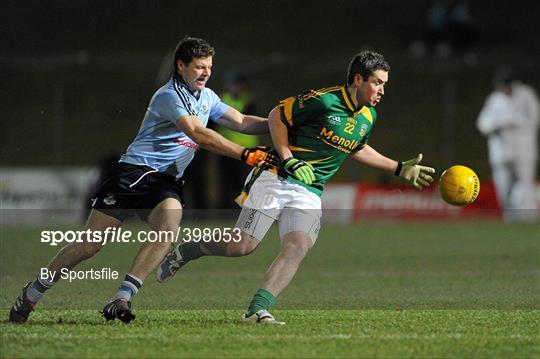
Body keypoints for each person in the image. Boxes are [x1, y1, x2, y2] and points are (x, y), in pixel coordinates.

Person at [9, 36, 277, 324]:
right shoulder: (169, 96)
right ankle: (32, 292)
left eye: (209, 67)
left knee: (168, 229)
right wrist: (245, 153)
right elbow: (197, 134)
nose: (205, 73)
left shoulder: (208, 97)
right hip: (132, 174)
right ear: (181, 65)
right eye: (199, 67)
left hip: (165, 182)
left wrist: (281, 120)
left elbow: (241, 121)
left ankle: (121, 298)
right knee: (89, 245)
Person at [157, 51, 436, 324]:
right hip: (276, 175)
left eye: (385, 84)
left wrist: (398, 167)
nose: (382, 91)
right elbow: (277, 115)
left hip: (310, 189)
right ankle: (189, 250)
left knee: (298, 244)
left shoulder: (368, 117)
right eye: (377, 82)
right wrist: (288, 158)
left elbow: (357, 148)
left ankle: (257, 310)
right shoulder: (323, 101)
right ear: (358, 80)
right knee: (241, 246)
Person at [477, 68, 539, 222]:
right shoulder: (495, 99)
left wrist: (514, 121)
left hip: (523, 148)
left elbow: (535, 118)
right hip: (500, 151)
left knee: (525, 184)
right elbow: (483, 123)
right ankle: (509, 217)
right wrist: (496, 125)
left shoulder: (526, 95)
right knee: (503, 186)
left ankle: (528, 217)